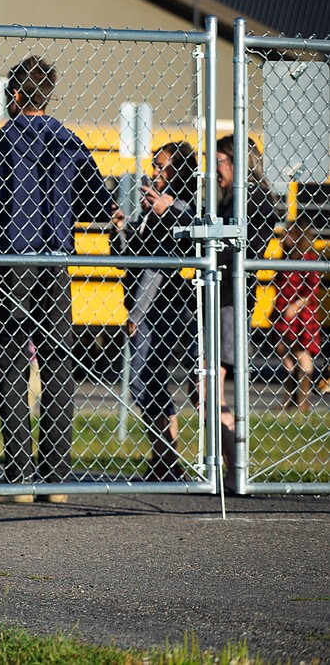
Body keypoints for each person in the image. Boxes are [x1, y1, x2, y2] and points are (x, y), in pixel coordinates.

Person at [0, 56, 111, 503]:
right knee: (58, 362)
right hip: (56, 259)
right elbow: (98, 206)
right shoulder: (70, 142)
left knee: (11, 363)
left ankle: (19, 479)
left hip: (11, 260)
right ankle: (56, 479)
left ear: (18, 95)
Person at [110, 141, 198, 482]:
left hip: (163, 307)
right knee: (144, 383)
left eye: (162, 166)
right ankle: (163, 458)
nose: (155, 172)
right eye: (155, 165)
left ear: (178, 171)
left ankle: (169, 458)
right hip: (141, 306)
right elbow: (125, 259)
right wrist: (119, 229)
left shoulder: (181, 207)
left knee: (150, 381)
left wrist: (136, 313)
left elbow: (157, 269)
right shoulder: (148, 207)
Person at [214, 135, 279, 481]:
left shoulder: (251, 198)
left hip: (230, 298)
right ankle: (230, 466)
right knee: (208, 387)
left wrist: (210, 245)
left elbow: (239, 246)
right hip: (220, 294)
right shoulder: (232, 198)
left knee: (210, 385)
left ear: (238, 163)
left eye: (221, 161)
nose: (215, 169)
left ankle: (235, 466)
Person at [271, 218, 320, 414]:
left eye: (288, 234)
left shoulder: (307, 258)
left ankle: (303, 403)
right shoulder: (287, 257)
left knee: (302, 354)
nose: (284, 237)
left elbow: (313, 286)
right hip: (284, 312)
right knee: (284, 351)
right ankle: (289, 399)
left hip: (302, 315)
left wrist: (296, 305)